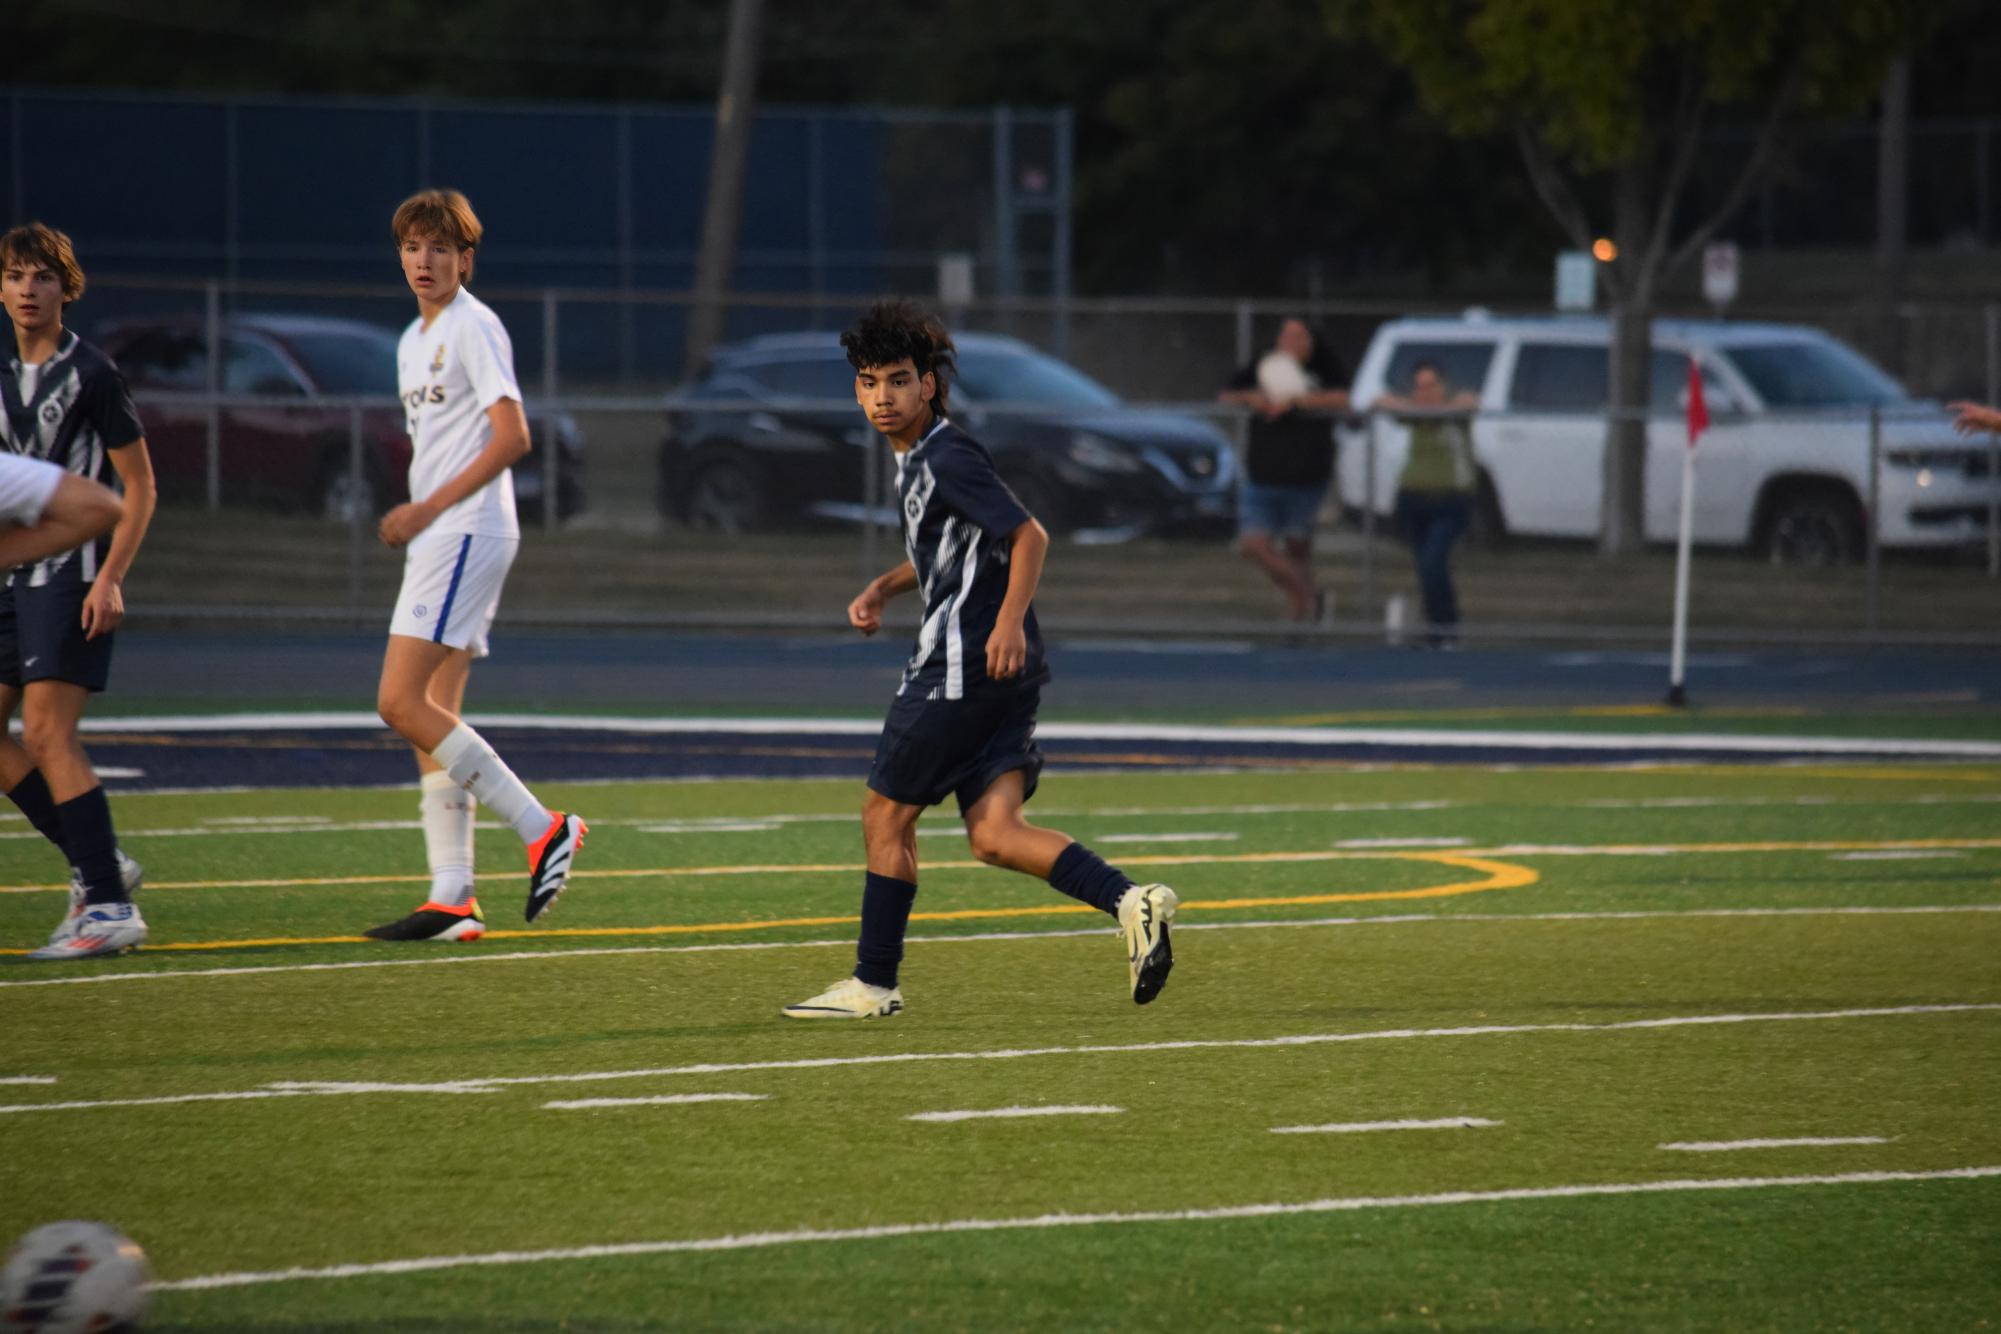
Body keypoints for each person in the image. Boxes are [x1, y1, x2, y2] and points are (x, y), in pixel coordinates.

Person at [784, 300, 1178, 1020]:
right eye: (869, 382)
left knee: (884, 817)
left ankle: (873, 983)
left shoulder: (945, 455)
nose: (882, 396)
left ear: (928, 384)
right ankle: (1132, 902)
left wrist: (1003, 625)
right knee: (995, 837)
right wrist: (884, 585)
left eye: (898, 380)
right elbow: (951, 549)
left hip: (962, 667)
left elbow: (1028, 537)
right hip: (999, 676)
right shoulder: (924, 457)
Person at [362, 189, 585, 943]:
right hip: (444, 537)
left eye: (439, 248)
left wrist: (426, 509)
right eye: (412, 248)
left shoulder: (472, 325)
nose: (424, 261)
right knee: (431, 715)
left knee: (398, 701)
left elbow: (512, 436)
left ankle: (542, 824)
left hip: (464, 532)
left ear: (466, 258)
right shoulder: (408, 339)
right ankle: (453, 896)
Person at [0, 222, 156, 961]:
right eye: (16, 276)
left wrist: (113, 577)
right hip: (10, 574)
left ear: (68, 288)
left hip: (72, 568)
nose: (29, 290)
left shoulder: (92, 373)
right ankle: (97, 863)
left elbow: (140, 485)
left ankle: (110, 907)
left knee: (48, 732)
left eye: (43, 277)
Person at [1218, 318, 1350, 621]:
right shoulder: (1263, 364)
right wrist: (1255, 399)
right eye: (1286, 336)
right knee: (1253, 544)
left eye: (1299, 336)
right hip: (1263, 473)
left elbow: (1344, 398)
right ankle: (1306, 596)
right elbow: (1227, 394)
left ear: (1310, 340)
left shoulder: (1324, 365)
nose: (1291, 342)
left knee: (1297, 547)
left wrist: (1297, 402)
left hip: (1306, 475)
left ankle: (1297, 617)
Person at [1374, 361, 1481, 648]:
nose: (1425, 392)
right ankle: (1437, 628)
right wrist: (1413, 406)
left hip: (1451, 500)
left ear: (1443, 386)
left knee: (1434, 561)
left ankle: (1447, 626)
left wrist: (1431, 409)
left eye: (1431, 385)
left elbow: (1468, 403)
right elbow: (1381, 401)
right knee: (1425, 566)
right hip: (1414, 499)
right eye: (1419, 387)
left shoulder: (1456, 409)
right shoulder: (1413, 414)